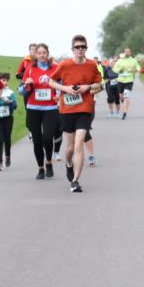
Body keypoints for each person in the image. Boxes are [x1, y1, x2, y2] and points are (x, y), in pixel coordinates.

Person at [48, 34, 103, 193]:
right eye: (77, 47)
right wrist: (65, 89)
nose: (80, 50)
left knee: (79, 143)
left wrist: (87, 87)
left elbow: (99, 83)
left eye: (83, 47)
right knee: (70, 147)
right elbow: (51, 81)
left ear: (86, 49)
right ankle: (69, 164)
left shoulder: (92, 65)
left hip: (85, 108)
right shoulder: (65, 65)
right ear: (72, 49)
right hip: (67, 109)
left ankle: (75, 180)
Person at [20, 43, 58, 179]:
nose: (42, 55)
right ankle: (41, 168)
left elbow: (63, 84)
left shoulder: (56, 68)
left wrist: (60, 95)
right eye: (39, 53)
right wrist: (26, 84)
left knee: (48, 137)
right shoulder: (30, 68)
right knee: (37, 140)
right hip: (33, 108)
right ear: (35, 55)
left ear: (48, 53)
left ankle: (49, 162)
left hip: (51, 108)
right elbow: (21, 91)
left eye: (44, 52)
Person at [0, 72, 17, 170]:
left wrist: (9, 102)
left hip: (8, 119)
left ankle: (7, 156)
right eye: (3, 80)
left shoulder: (10, 93)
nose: (5, 82)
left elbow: (15, 106)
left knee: (7, 138)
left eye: (6, 80)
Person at [113, 47, 140, 120]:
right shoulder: (120, 61)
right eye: (126, 52)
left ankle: (124, 113)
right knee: (121, 97)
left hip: (129, 81)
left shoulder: (133, 60)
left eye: (128, 52)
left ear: (130, 53)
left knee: (126, 97)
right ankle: (123, 101)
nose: (127, 53)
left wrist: (135, 69)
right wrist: (119, 69)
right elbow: (114, 69)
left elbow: (138, 67)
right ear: (124, 52)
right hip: (120, 81)